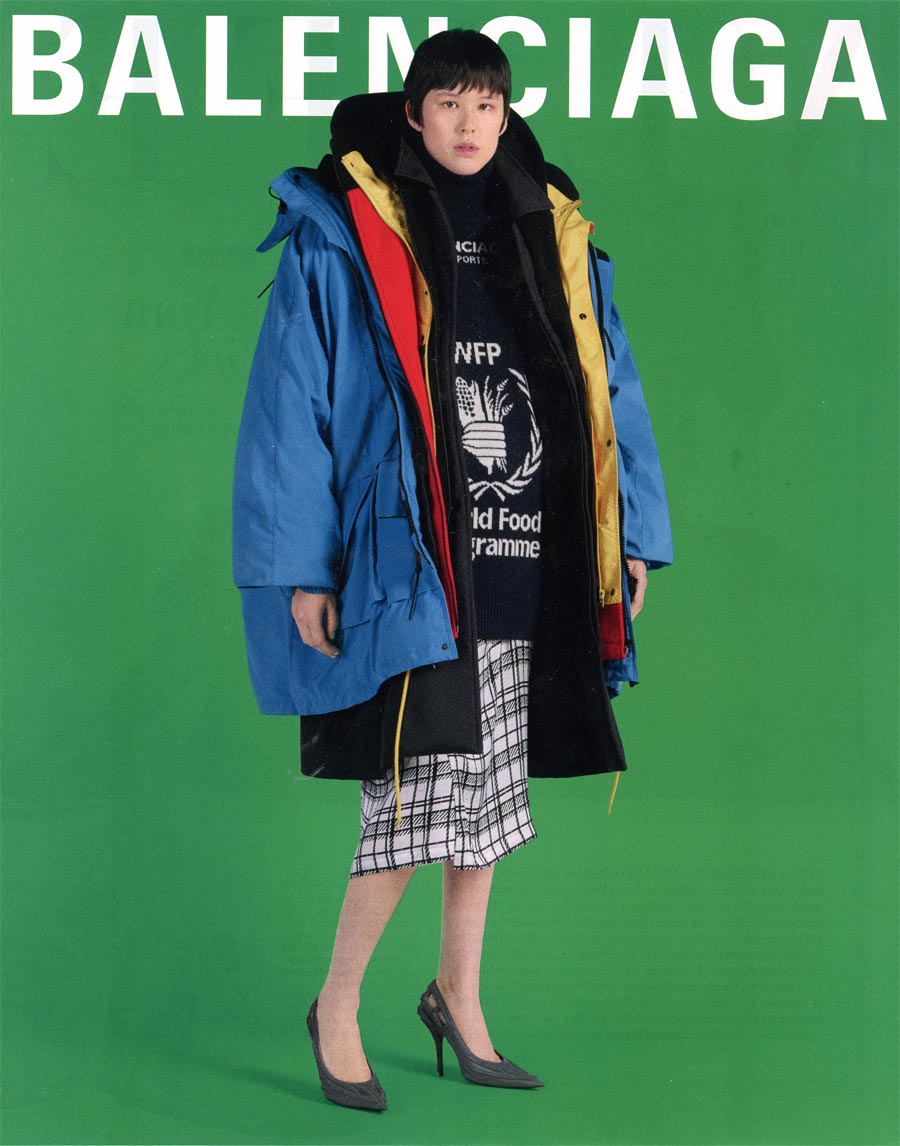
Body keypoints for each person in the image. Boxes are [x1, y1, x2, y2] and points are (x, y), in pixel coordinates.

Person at [232, 29, 672, 1112]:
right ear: (414, 114)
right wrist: (304, 568)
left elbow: (609, 384)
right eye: (449, 104)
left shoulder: (546, 226)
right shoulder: (346, 231)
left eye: (487, 104)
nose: (470, 124)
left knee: (491, 800)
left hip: (530, 550)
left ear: (505, 114)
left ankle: (457, 998)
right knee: (413, 803)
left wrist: (627, 535)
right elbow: (292, 406)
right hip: (419, 560)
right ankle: (338, 1005)